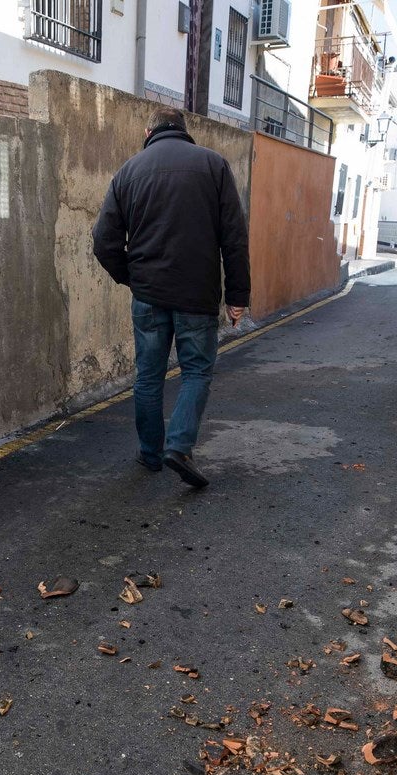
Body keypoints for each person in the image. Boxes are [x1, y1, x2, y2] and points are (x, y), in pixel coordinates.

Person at [91, 107, 250, 489]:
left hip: (148, 294)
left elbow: (103, 241)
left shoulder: (129, 171)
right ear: (184, 131)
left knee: (148, 376)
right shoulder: (214, 166)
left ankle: (150, 454)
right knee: (196, 371)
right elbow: (234, 237)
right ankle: (178, 446)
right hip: (197, 294)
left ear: (148, 131)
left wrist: (131, 278)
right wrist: (237, 295)